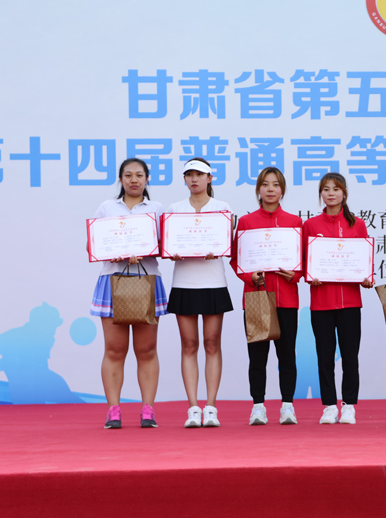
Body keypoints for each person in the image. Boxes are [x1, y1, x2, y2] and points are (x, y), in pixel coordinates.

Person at [89, 158, 167, 429]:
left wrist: (147, 250)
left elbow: (166, 245)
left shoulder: (157, 209)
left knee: (146, 350)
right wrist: (115, 252)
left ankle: (148, 409)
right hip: (113, 281)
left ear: (147, 179)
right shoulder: (107, 208)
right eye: (128, 175)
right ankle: (113, 410)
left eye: (139, 175)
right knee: (114, 349)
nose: (134, 180)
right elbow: (93, 245)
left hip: (147, 279)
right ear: (120, 179)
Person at [230, 167, 302, 426]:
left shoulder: (294, 222)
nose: (270, 189)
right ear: (258, 189)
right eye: (265, 184)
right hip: (257, 296)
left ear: (282, 190)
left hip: (287, 298)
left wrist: (295, 273)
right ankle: (258, 407)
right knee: (257, 356)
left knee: (287, 355)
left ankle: (288, 406)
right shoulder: (247, 222)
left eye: (276, 184)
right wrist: (250, 276)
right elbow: (236, 259)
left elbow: (303, 259)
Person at [166, 158, 234, 428]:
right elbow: (167, 244)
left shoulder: (222, 208)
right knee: (189, 345)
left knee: (212, 343)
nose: (194, 179)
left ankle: (211, 407)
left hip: (213, 282)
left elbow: (228, 243)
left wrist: (218, 247)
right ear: (184, 179)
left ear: (210, 178)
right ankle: (193, 407)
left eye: (199, 174)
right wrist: (173, 251)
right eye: (189, 175)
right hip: (184, 282)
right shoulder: (175, 209)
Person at [302, 173, 374, 425]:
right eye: (326, 189)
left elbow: (364, 262)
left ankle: (349, 405)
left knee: (350, 357)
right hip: (321, 301)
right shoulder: (311, 225)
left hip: (350, 303)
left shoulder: (358, 225)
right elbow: (305, 261)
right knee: (324, 357)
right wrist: (310, 275)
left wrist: (366, 278)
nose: (331, 193)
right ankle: (329, 406)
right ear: (320, 194)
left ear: (344, 193)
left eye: (336, 189)